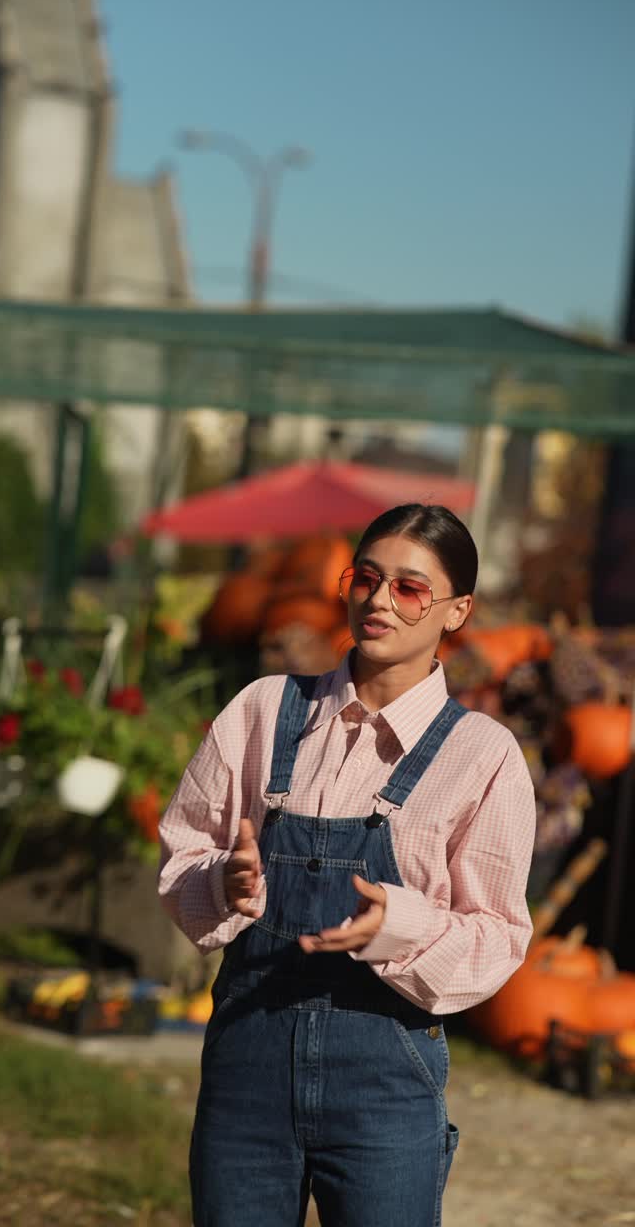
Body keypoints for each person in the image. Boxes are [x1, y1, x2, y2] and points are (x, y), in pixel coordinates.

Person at [158, 504, 536, 1227]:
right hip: (248, 1063)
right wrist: (221, 882)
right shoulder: (264, 710)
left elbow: (498, 934)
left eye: (409, 588)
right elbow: (186, 849)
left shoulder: (481, 756)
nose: (378, 601)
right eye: (366, 578)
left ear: (457, 611)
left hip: (385, 1076)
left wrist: (400, 926)